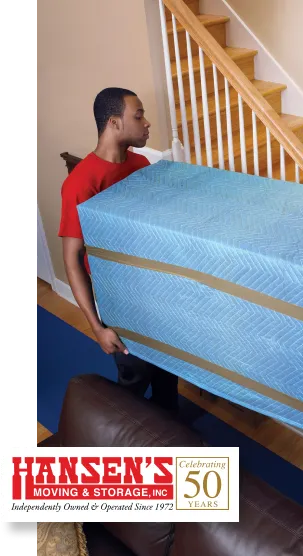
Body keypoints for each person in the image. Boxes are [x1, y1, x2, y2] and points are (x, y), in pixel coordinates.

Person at [58, 87, 179, 415]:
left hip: (155, 289)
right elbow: (72, 260)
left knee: (169, 372)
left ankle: (169, 436)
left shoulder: (140, 164)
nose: (146, 123)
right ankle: (125, 444)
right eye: (138, 116)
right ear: (114, 122)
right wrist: (97, 326)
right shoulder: (81, 183)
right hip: (121, 301)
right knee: (135, 378)